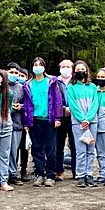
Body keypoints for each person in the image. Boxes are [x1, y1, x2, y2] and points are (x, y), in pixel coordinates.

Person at [23, 57, 63, 187]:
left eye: (40, 64)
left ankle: (50, 175)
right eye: (35, 64)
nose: (37, 67)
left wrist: (58, 118)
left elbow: (58, 101)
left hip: (49, 120)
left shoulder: (51, 82)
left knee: (50, 149)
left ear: (44, 67)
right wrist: (26, 123)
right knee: (36, 149)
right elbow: (27, 104)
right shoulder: (28, 84)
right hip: (34, 120)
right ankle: (39, 174)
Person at [66, 61, 98, 187]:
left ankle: (89, 174)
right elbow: (73, 105)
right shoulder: (71, 88)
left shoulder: (93, 87)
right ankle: (80, 175)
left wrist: (88, 119)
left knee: (90, 149)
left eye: (83, 69)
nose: (80, 71)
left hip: (92, 122)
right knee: (80, 150)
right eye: (78, 69)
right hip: (78, 123)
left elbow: (95, 103)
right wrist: (82, 119)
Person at [55, 59, 77, 181]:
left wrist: (72, 109)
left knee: (74, 145)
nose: (65, 69)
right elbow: (53, 98)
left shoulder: (76, 82)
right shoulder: (55, 82)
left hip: (74, 117)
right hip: (59, 117)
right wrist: (62, 109)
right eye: (63, 66)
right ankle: (59, 171)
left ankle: (76, 171)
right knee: (59, 145)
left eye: (68, 66)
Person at [6, 63, 26, 185]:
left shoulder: (21, 88)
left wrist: (21, 106)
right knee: (3, 151)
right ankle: (2, 174)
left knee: (14, 151)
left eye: (16, 73)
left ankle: (12, 174)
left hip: (17, 124)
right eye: (11, 72)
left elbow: (28, 104)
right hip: (2, 124)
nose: (13, 75)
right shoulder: (2, 86)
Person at [16, 67, 30, 182]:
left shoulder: (27, 89)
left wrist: (23, 106)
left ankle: (24, 169)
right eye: (18, 75)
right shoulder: (14, 89)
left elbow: (30, 104)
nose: (20, 78)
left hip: (25, 122)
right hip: (15, 123)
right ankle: (13, 170)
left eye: (23, 76)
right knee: (14, 148)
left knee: (24, 148)